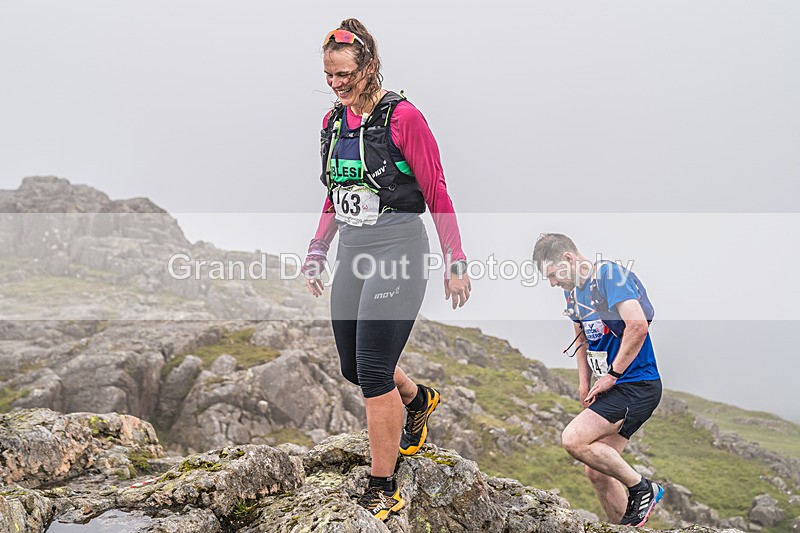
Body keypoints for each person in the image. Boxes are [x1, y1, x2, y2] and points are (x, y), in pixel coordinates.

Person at [302, 18, 472, 521]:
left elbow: (436, 189)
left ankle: (384, 486)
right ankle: (417, 401)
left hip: (400, 249)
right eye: (329, 75)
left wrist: (455, 260)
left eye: (344, 75)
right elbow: (336, 194)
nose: (336, 84)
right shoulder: (333, 124)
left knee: (374, 369)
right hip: (354, 250)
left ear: (369, 66)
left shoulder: (404, 118)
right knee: (352, 367)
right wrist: (317, 249)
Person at [532, 233, 664, 527]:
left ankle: (643, 488)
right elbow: (582, 337)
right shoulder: (572, 292)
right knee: (597, 471)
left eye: (552, 275)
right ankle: (625, 528)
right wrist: (584, 382)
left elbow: (638, 326)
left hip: (636, 383)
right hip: (613, 386)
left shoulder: (609, 276)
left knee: (573, 439)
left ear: (567, 258)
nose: (552, 283)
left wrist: (612, 375)